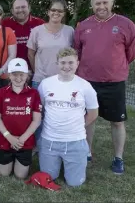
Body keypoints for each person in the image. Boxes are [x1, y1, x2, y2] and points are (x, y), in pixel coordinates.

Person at [73, 0, 135, 174]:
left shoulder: (126, 24)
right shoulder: (83, 25)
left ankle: (118, 158)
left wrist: (115, 66)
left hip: (114, 82)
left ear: (112, 3)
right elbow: (77, 51)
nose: (101, 6)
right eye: (97, 3)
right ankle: (86, 152)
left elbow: (132, 52)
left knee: (117, 122)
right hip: (87, 82)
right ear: (92, 5)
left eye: (105, 3)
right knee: (88, 120)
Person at [37, 48, 99, 187]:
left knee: (75, 183)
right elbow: (40, 108)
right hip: (50, 140)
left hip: (75, 141)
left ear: (77, 63)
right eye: (63, 63)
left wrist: (76, 127)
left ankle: (74, 161)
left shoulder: (85, 86)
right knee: (48, 177)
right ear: (57, 64)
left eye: (71, 62)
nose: (66, 66)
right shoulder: (46, 84)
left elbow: (93, 113)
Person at [26, 0, 74, 147]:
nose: (56, 13)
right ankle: (36, 145)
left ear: (64, 13)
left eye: (60, 11)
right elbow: (31, 54)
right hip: (41, 80)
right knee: (38, 115)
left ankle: (52, 144)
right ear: (48, 12)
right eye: (53, 10)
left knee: (57, 115)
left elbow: (73, 55)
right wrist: (37, 71)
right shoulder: (37, 31)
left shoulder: (70, 31)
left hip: (63, 81)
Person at [0, 58, 41, 179]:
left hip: (25, 142)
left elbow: (37, 120)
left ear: (27, 75)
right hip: (6, 140)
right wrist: (9, 137)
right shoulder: (2, 92)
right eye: (14, 74)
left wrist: (22, 139)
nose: (18, 78)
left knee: (20, 176)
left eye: (21, 75)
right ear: (9, 75)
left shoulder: (34, 93)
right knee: (4, 173)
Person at [2, 0, 45, 75]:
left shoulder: (40, 24)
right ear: (12, 10)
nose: (20, 10)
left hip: (35, 71)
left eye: (23, 7)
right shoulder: (4, 24)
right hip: (11, 71)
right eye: (17, 8)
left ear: (29, 8)